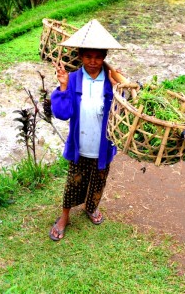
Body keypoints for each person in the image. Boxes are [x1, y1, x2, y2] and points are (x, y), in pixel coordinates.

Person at [49, 20, 124, 241]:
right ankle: (64, 217)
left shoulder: (112, 81)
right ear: (81, 57)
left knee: (99, 180)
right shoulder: (72, 80)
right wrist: (63, 86)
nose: (93, 62)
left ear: (104, 57)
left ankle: (91, 208)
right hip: (80, 145)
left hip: (103, 145)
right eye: (88, 56)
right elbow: (63, 113)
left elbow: (123, 111)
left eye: (98, 57)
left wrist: (120, 88)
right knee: (74, 181)